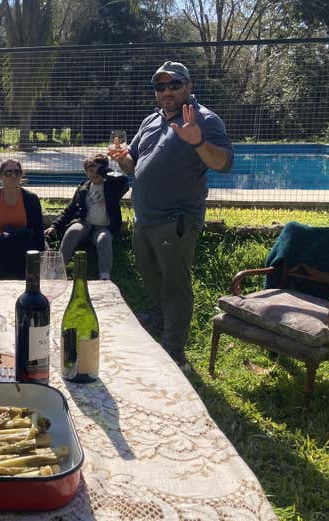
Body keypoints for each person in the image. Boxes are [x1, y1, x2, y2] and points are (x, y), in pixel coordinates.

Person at [107, 61, 234, 370]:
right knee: (152, 278)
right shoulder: (151, 120)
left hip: (175, 220)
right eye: (160, 86)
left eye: (174, 84)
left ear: (188, 87)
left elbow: (224, 163)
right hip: (145, 218)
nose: (167, 91)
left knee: (175, 286)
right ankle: (159, 321)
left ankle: (174, 353)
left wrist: (198, 141)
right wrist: (123, 158)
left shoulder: (204, 120)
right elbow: (135, 166)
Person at [44, 154, 128, 280]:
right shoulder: (83, 188)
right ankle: (59, 269)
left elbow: (123, 180)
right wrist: (55, 225)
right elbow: (70, 209)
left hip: (103, 227)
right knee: (72, 231)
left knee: (104, 239)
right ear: (86, 172)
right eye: (90, 171)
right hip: (85, 223)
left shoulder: (112, 186)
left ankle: (104, 275)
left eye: (98, 170)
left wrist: (105, 172)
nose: (94, 174)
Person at [0, 159, 45, 279]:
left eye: (17, 172)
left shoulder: (31, 199)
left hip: (23, 252)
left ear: (21, 175)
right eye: (8, 172)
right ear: (1, 176)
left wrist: (38, 265)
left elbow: (39, 234)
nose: (13, 175)